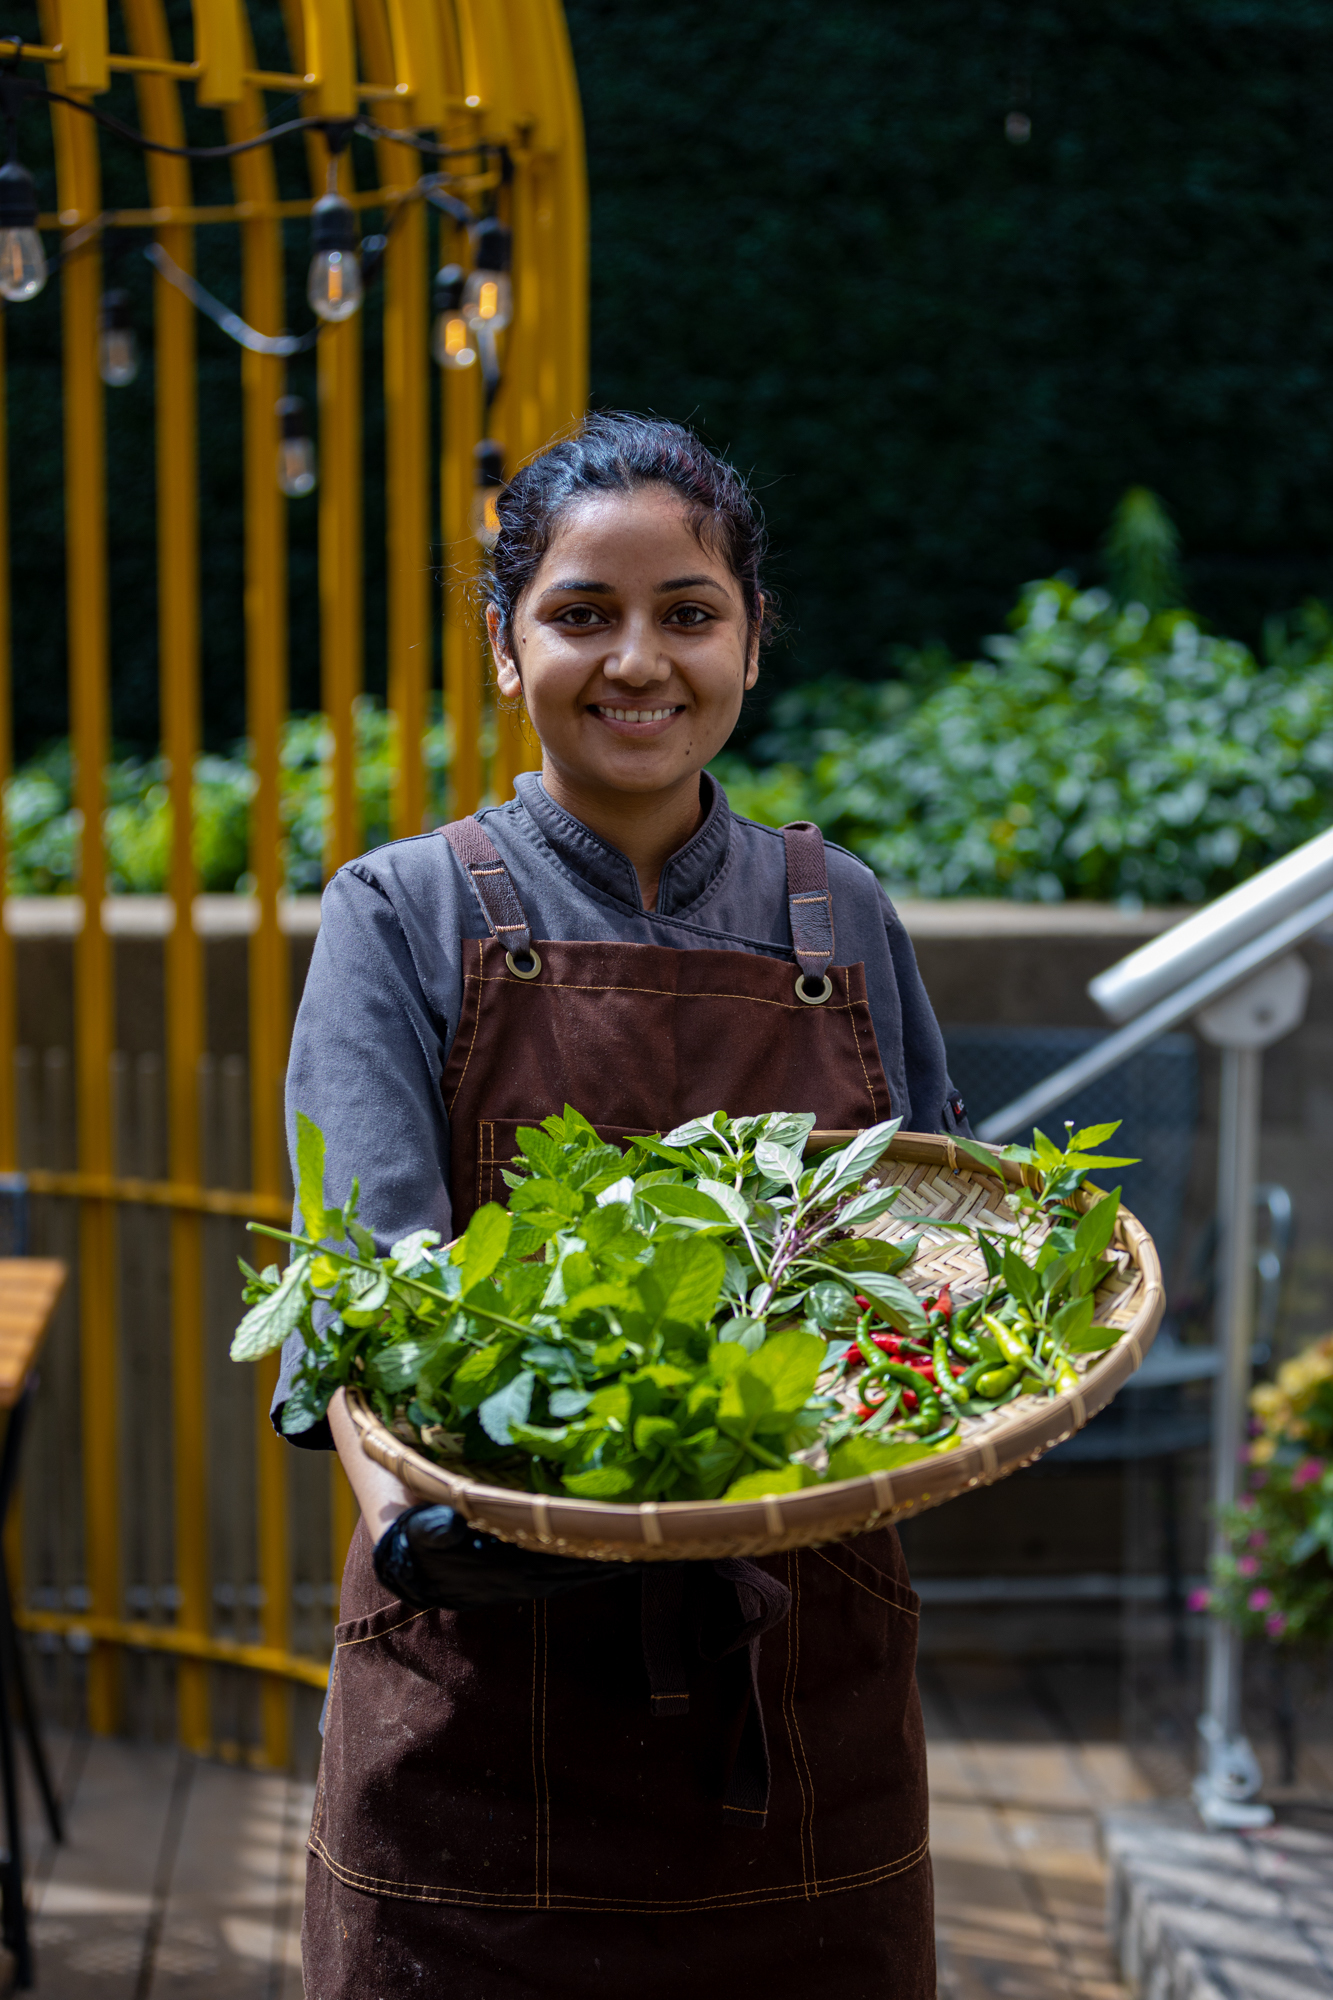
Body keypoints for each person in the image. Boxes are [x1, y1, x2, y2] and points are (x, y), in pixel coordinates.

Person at [277, 412, 967, 1999]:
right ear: (508, 651)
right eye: (581, 614)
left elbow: (939, 1246)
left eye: (686, 613)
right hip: (486, 1669)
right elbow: (362, 1279)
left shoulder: (838, 908)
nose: (636, 659)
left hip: (805, 1673)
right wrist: (423, 1523)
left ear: (748, 637)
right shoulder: (407, 907)